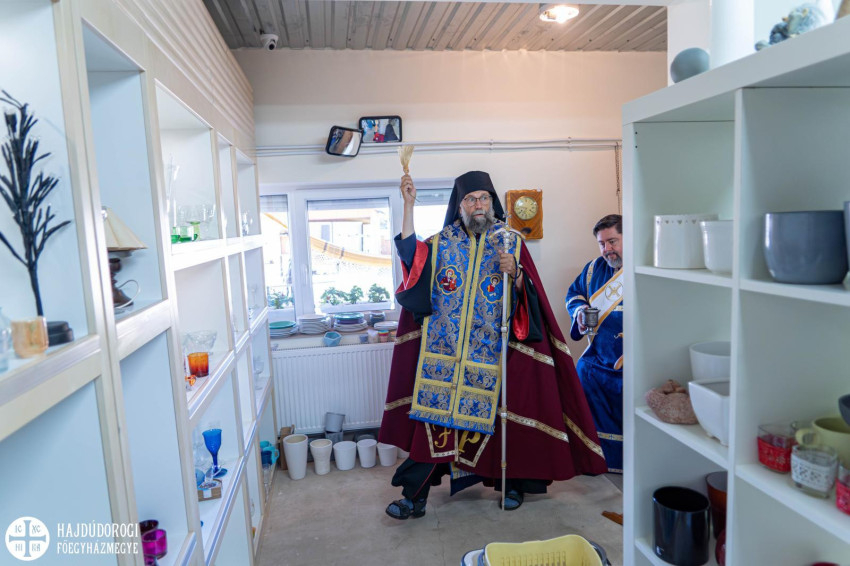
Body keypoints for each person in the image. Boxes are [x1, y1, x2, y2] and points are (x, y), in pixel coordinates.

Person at [378, 171, 607, 520]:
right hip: (444, 356)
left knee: (506, 425)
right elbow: (411, 257)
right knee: (434, 427)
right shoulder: (441, 242)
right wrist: (408, 206)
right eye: (471, 199)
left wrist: (516, 273)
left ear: (492, 202)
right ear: (459, 206)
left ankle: (512, 486)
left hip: (495, 355)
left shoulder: (511, 242)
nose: (478, 205)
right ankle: (415, 497)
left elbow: (531, 297)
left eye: (484, 198)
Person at [565, 214, 624, 473]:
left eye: (613, 241)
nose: (607, 249)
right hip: (599, 355)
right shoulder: (593, 269)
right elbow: (574, 294)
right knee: (581, 371)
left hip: (632, 356)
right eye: (602, 244)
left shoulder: (643, 268)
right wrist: (579, 311)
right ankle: (594, 457)